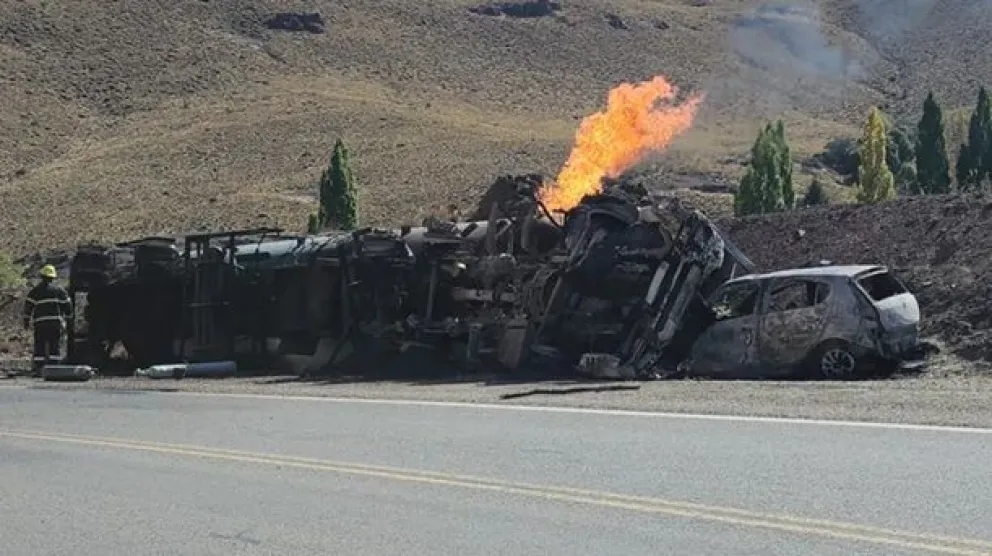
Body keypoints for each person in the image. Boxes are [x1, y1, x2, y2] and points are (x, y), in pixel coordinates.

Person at [22, 264, 73, 375]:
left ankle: (39, 370)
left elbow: (28, 307)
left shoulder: (35, 291)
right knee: (55, 346)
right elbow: (68, 306)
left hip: (40, 324)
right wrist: (69, 321)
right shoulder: (60, 291)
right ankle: (54, 369)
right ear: (53, 277)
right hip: (55, 324)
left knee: (39, 346)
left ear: (42, 276)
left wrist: (26, 321)